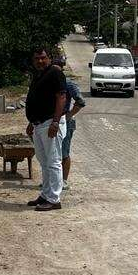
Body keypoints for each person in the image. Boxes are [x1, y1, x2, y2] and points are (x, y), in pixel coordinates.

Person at [24, 47, 67, 212]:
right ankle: (46, 194)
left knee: (53, 161)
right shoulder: (38, 75)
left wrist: (55, 122)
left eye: (43, 58)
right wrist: (31, 122)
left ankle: (54, 199)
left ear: (49, 58)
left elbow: (61, 97)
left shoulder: (55, 73)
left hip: (50, 123)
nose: (40, 61)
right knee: (44, 161)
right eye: (37, 58)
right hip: (39, 124)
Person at [51, 53, 85, 184]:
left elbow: (80, 102)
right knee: (52, 153)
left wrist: (68, 115)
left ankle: (63, 181)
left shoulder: (68, 84)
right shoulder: (49, 83)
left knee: (64, 152)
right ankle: (53, 180)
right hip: (52, 121)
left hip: (66, 122)